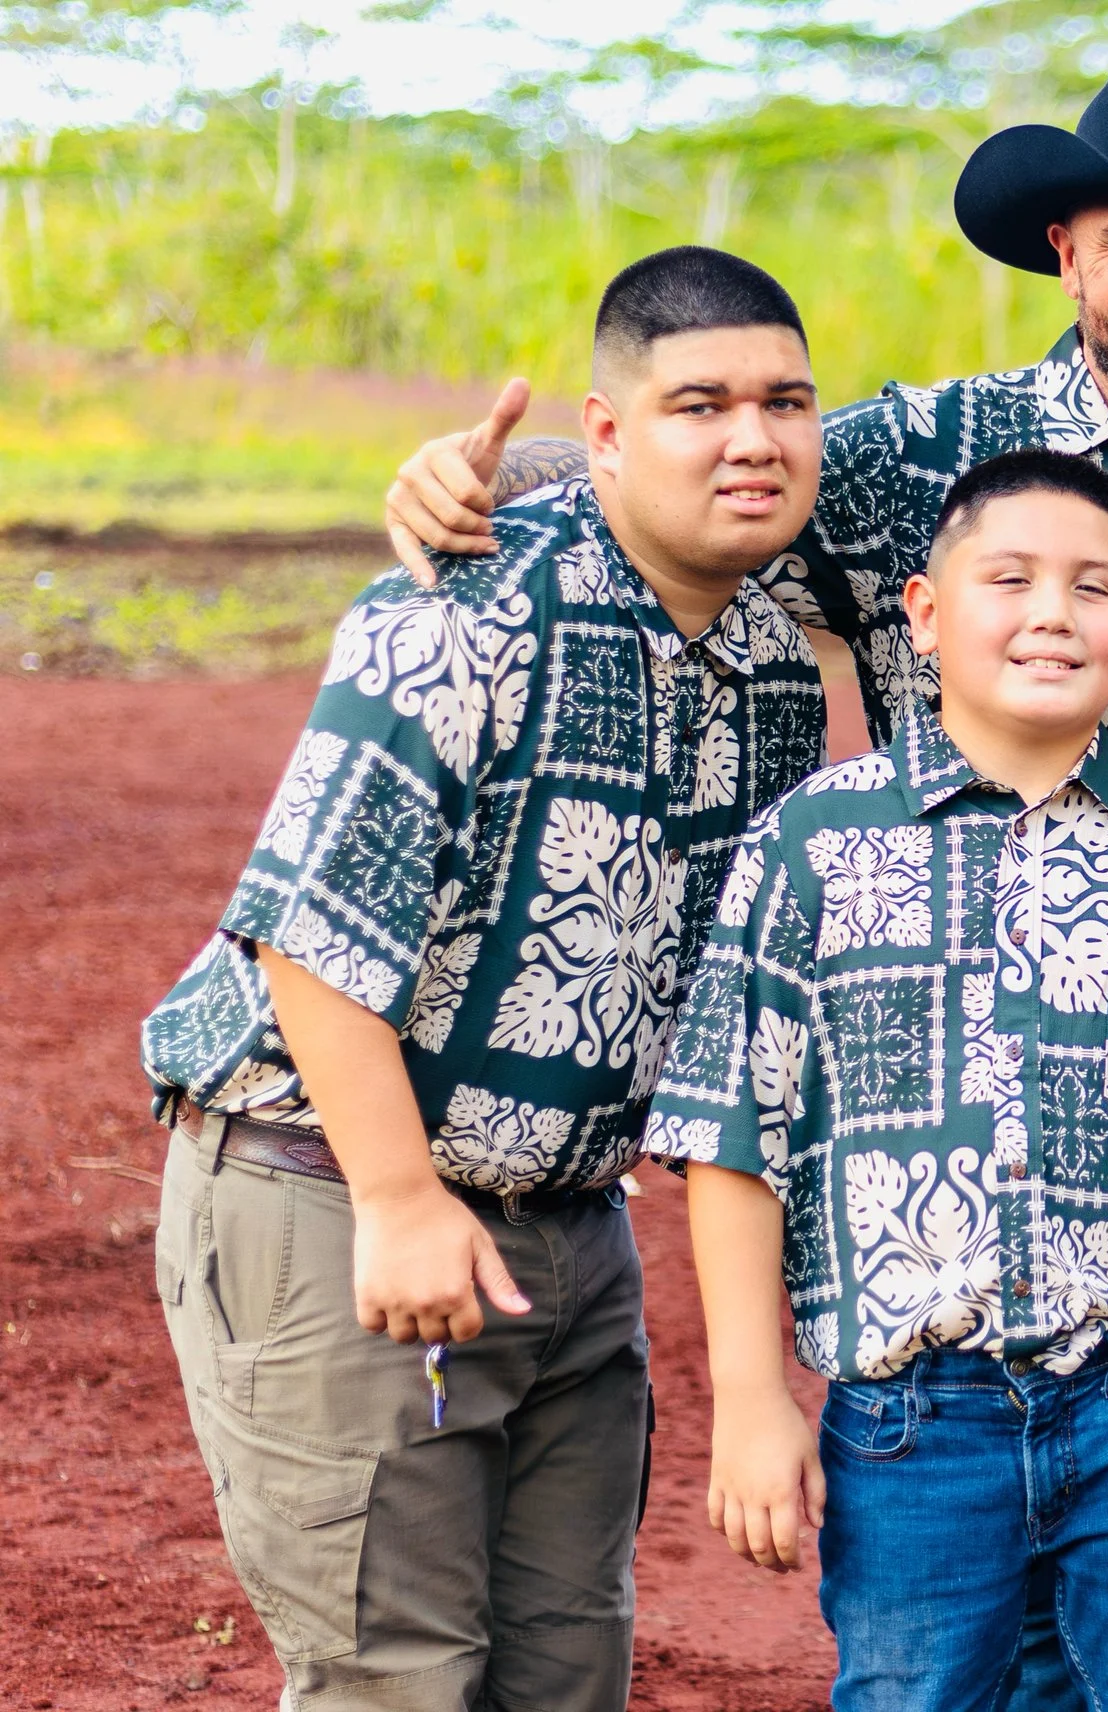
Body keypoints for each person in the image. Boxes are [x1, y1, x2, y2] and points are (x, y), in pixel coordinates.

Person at [378, 46, 1108, 1709]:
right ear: (1068, 254)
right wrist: (459, 479)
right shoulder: (917, 460)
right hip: (933, 1093)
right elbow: (687, 481)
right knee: (971, 1619)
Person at [139, 245, 830, 1710]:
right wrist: (395, 1201)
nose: (753, 438)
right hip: (339, 1188)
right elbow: (313, 927)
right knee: (394, 1678)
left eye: (787, 401)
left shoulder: (776, 670)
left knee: (567, 1668)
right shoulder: (462, 612)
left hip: (569, 1235)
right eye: (700, 402)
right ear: (606, 431)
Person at [642, 448, 1108, 1712]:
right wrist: (748, 1394)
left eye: (1092, 586)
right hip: (915, 1421)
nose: (1050, 613)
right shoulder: (815, 845)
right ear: (923, 611)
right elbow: (734, 1133)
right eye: (1006, 578)